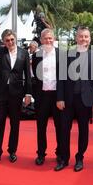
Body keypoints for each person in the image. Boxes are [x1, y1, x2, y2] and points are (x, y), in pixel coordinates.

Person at [55, 26, 93, 172]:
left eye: (86, 37)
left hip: (86, 99)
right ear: (76, 38)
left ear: (90, 39)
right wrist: (60, 98)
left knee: (84, 130)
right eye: (81, 36)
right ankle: (64, 158)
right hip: (68, 99)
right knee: (64, 130)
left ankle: (80, 157)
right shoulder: (66, 55)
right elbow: (61, 79)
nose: (83, 39)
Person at [0, 19, 32, 166]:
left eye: (12, 39)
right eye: (7, 40)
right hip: (1, 93)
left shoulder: (24, 53)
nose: (10, 42)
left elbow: (27, 75)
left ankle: (12, 151)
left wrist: (28, 94)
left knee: (15, 123)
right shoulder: (0, 51)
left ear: (15, 39)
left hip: (16, 93)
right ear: (4, 42)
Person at [31, 29, 62, 166]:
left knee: (60, 127)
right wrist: (35, 95)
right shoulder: (36, 56)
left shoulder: (62, 54)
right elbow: (33, 78)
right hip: (42, 96)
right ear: (41, 40)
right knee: (41, 127)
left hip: (57, 96)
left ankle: (60, 153)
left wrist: (62, 97)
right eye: (45, 38)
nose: (48, 41)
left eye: (50, 38)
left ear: (54, 39)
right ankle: (41, 153)